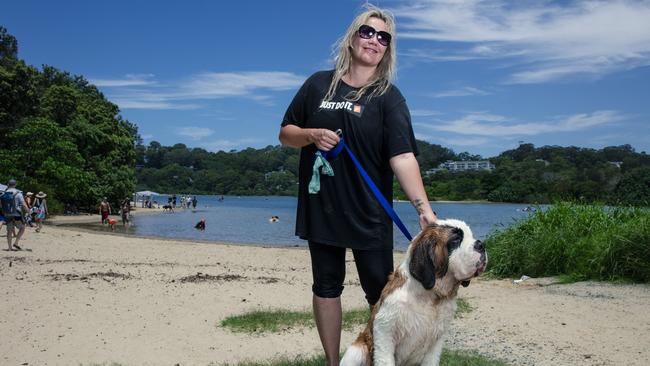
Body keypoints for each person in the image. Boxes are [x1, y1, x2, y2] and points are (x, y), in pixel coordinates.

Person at [278, 5, 437, 365]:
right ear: (352, 39)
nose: (374, 40)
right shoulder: (318, 84)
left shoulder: (388, 97)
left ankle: (381, 359)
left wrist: (422, 208)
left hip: (370, 210)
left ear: (388, 49)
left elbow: (403, 157)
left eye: (383, 37)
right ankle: (334, 362)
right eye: (367, 32)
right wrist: (310, 135)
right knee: (326, 285)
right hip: (324, 206)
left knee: (380, 294)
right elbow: (286, 133)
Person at [1, 179, 30, 251]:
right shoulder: (18, 193)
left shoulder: (3, 193)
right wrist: (28, 212)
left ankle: (9, 247)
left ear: (8, 184)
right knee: (22, 228)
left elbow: (1, 205)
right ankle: (16, 242)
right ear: (15, 185)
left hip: (7, 214)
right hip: (16, 214)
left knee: (9, 231)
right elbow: (24, 205)